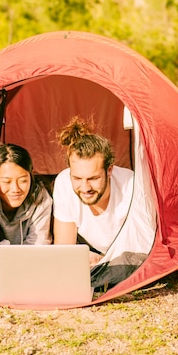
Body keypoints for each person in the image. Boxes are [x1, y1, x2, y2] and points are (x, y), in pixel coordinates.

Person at [53, 117, 149, 288]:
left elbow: (143, 249)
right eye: (77, 178)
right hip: (97, 257)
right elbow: (63, 250)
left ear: (109, 170)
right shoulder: (63, 182)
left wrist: (105, 260)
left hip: (128, 257)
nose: (85, 187)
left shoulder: (132, 187)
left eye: (93, 178)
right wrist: (83, 256)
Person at [0, 143, 52, 282]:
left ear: (31, 175)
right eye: (6, 182)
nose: (15, 189)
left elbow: (40, 242)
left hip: (30, 261)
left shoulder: (40, 198)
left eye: (23, 181)